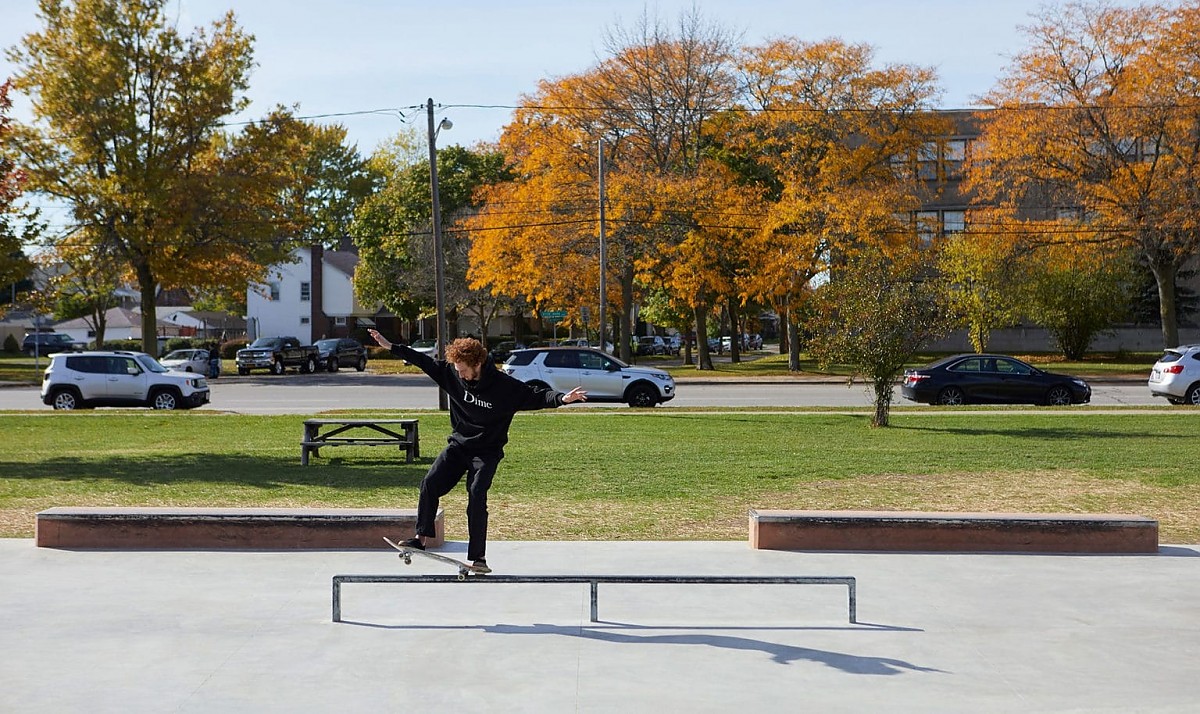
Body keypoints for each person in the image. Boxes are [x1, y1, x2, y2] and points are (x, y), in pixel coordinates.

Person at [367, 329, 587, 573]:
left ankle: (478, 558)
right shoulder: (450, 373)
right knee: (429, 483)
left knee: (476, 495)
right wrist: (390, 346)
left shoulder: (503, 387)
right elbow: (423, 361)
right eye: (457, 369)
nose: (459, 374)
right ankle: (421, 539)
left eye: (463, 369)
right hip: (459, 446)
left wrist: (561, 399)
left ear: (478, 363)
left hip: (487, 452)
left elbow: (535, 395)